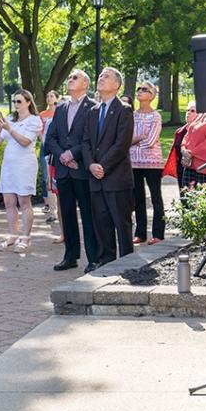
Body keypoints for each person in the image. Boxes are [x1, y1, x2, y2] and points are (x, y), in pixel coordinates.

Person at [43, 69, 99, 272]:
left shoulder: (93, 107)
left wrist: (73, 155)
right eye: (69, 78)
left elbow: (91, 138)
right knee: (66, 214)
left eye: (75, 77)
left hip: (82, 169)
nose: (70, 80)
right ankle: (71, 256)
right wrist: (63, 157)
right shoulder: (61, 108)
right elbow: (50, 138)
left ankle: (94, 258)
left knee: (88, 214)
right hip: (64, 170)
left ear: (85, 83)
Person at [82, 67, 135, 267]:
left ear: (117, 85)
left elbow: (121, 144)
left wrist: (103, 165)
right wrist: (91, 165)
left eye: (106, 76)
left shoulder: (124, 110)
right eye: (100, 75)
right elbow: (86, 141)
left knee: (121, 223)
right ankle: (106, 263)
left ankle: (128, 264)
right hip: (96, 178)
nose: (101, 78)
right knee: (101, 223)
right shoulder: (92, 111)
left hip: (116, 177)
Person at [0, 89, 42, 253]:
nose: (16, 104)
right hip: (9, 164)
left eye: (19, 101)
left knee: (24, 201)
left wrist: (10, 129)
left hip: (24, 164)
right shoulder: (10, 119)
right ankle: (13, 234)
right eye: (14, 101)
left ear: (28, 102)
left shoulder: (34, 120)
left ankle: (26, 237)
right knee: (8, 201)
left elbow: (25, 141)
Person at [129, 81, 164, 245]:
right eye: (139, 89)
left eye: (145, 89)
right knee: (138, 198)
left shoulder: (156, 116)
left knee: (156, 197)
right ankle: (140, 233)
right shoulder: (132, 115)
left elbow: (150, 140)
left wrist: (135, 141)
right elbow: (126, 139)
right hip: (134, 162)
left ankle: (158, 233)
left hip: (152, 162)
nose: (140, 92)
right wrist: (137, 139)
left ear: (151, 96)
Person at [179, 110, 206, 189]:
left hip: (205, 166)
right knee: (186, 197)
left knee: (203, 199)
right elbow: (188, 134)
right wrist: (183, 149)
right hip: (190, 164)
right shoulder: (201, 114)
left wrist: (191, 153)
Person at [163, 101, 200, 192]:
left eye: (192, 111)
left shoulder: (201, 131)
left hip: (197, 169)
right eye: (187, 110)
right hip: (181, 168)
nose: (188, 113)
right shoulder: (179, 131)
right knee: (183, 196)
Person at [38, 90, 59, 225]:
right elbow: (40, 131)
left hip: (59, 149)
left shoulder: (61, 112)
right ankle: (52, 211)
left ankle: (62, 209)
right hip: (46, 149)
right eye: (47, 96)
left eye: (52, 96)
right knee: (48, 179)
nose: (49, 98)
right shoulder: (42, 115)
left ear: (57, 98)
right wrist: (45, 142)